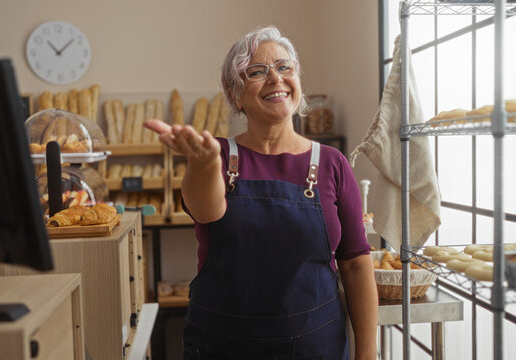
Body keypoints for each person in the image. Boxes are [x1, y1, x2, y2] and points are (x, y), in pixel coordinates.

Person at [145, 25, 377, 360]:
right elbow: (205, 209)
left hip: (315, 346)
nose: (275, 79)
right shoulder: (220, 156)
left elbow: (356, 263)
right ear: (235, 94)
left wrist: (367, 354)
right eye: (257, 72)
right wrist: (206, 162)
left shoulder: (331, 163)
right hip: (221, 346)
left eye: (285, 67)